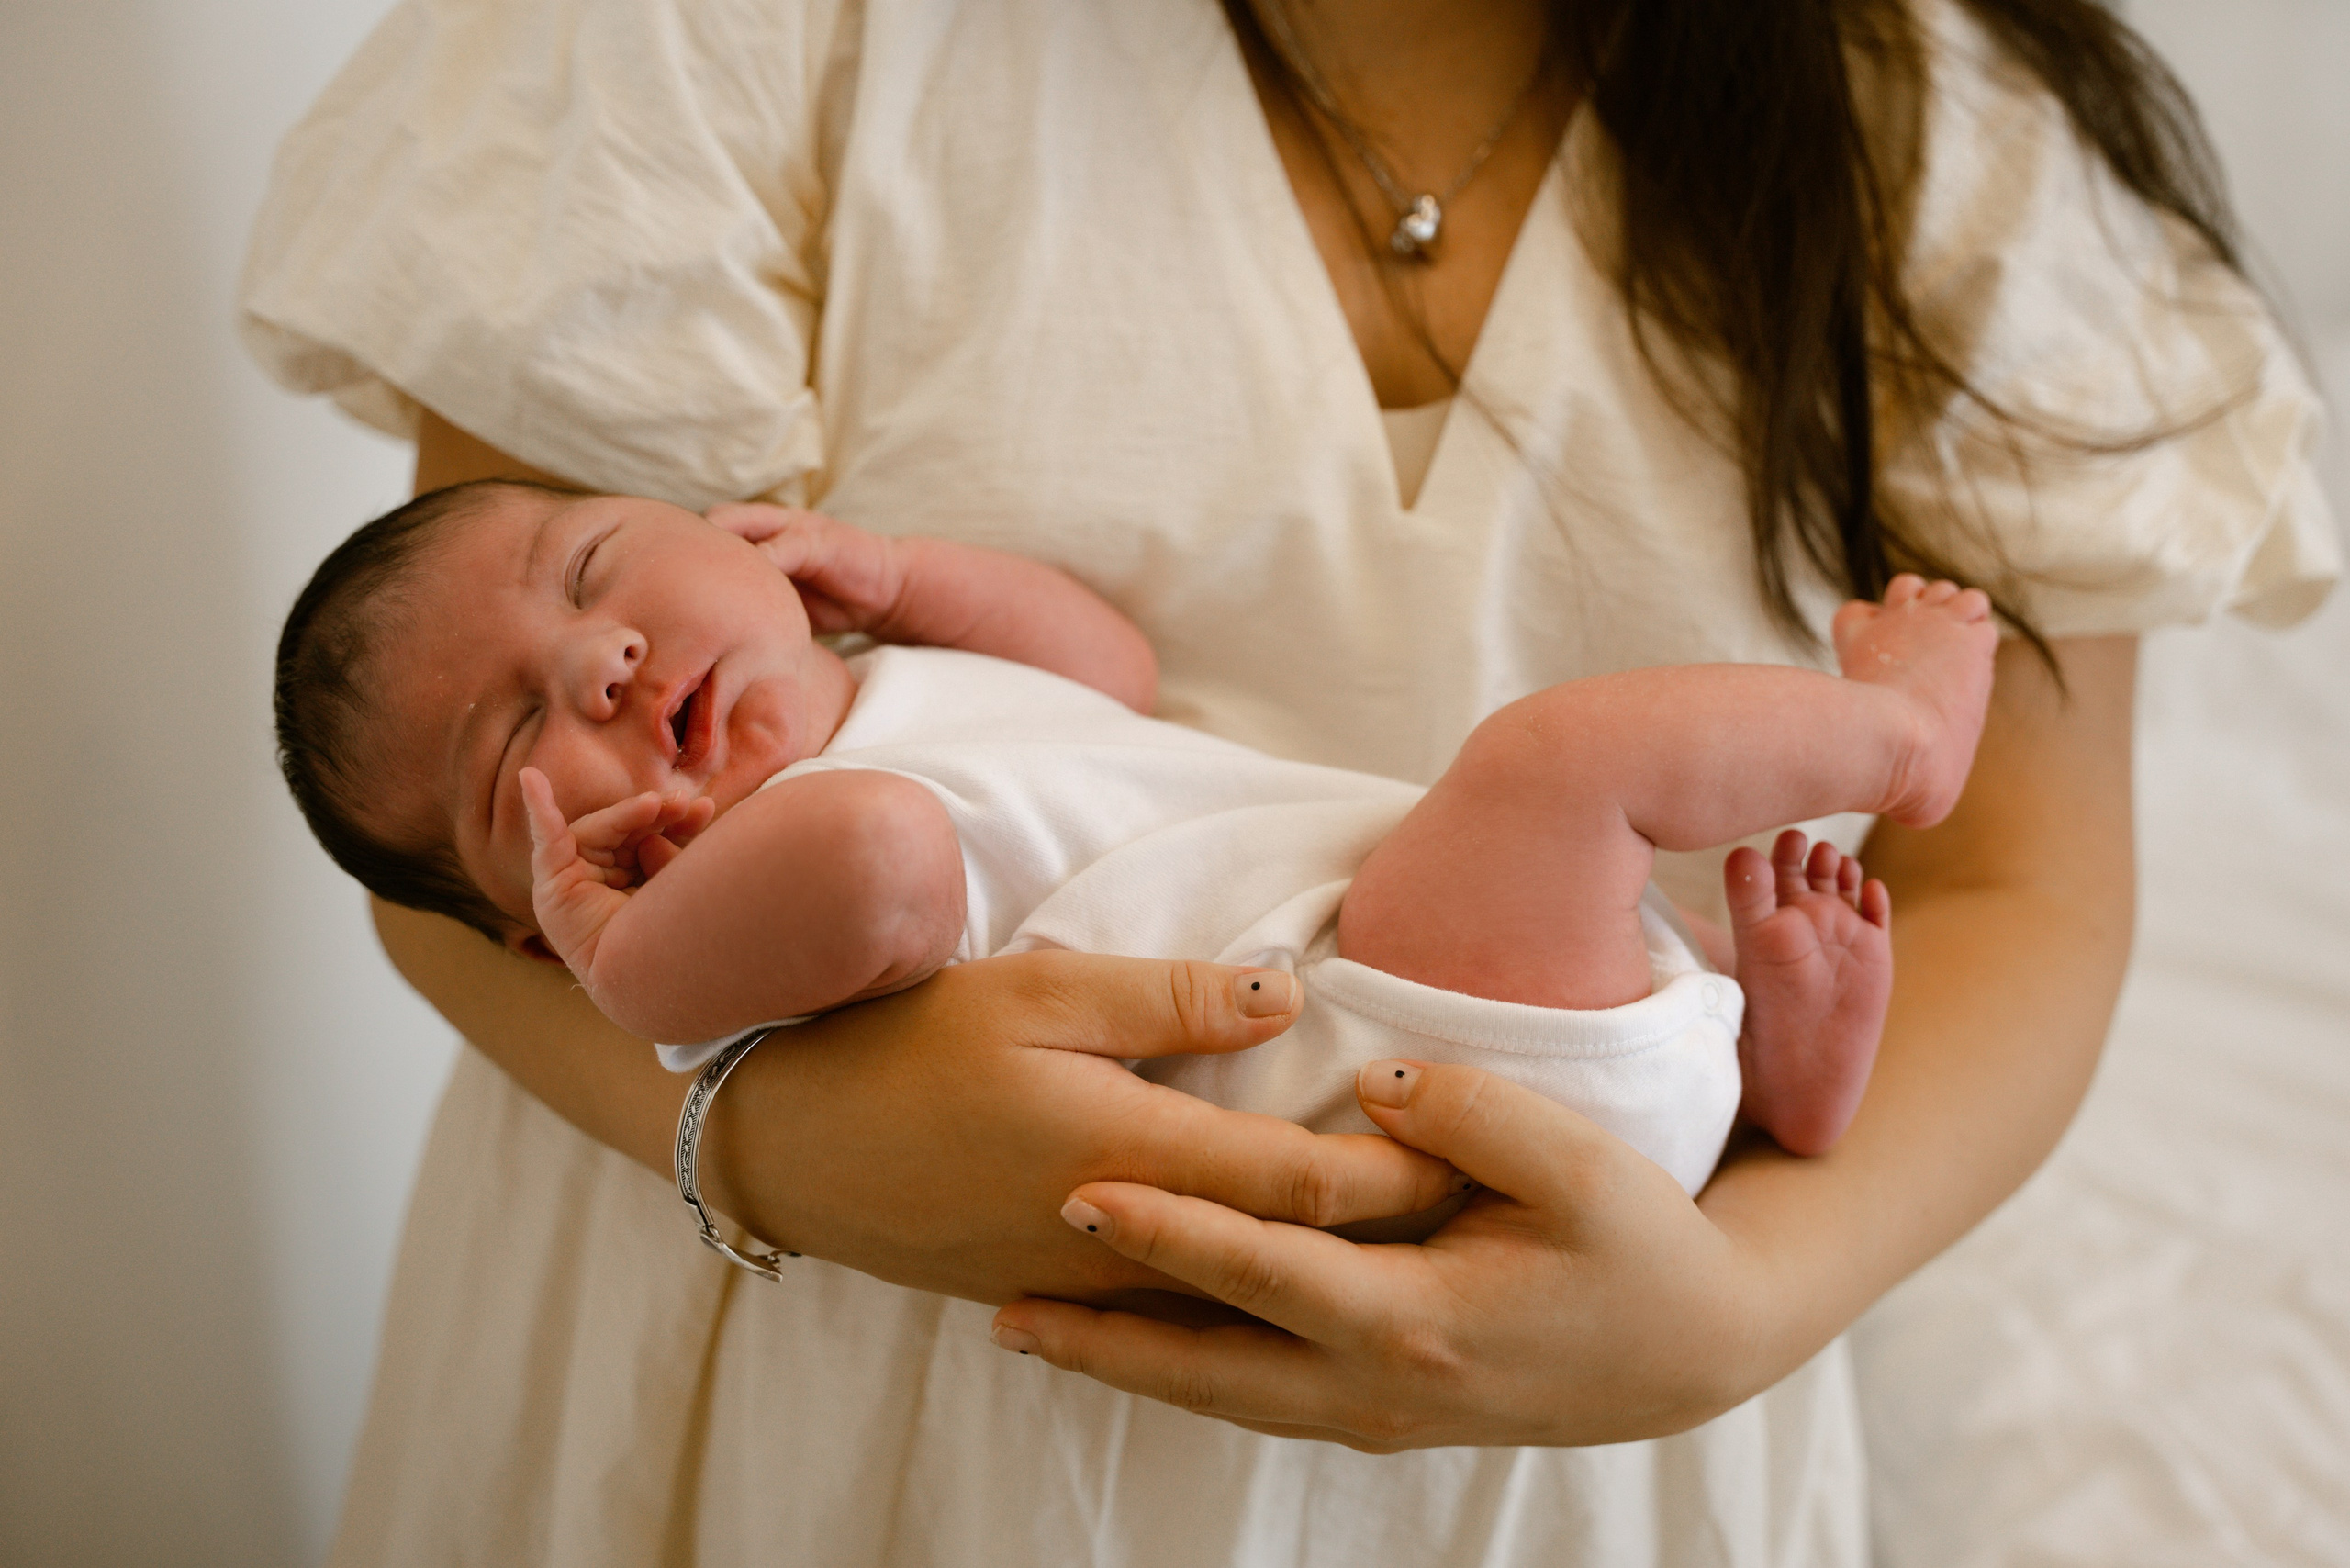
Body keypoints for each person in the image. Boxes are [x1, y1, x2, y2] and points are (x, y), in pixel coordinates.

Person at [240, 0, 2336, 1562]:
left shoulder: (1939, 130)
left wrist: (1734, 1305)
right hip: (786, 1381)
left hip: (1563, 1417)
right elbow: (461, 850)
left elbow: (2014, 892)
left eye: (611, 598)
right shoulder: (739, 40)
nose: (596, 665)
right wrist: (784, 1141)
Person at [275, 482, 1998, 1179]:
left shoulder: (886, 693)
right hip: (1365, 1026)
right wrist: (622, 952)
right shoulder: (727, 911)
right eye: (514, 733)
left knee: (1545, 819)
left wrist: (902, 582)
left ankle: (1761, 1075)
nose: (598, 656)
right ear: (533, 910)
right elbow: (884, 873)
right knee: (1555, 764)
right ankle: (1903, 739)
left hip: (1457, 987)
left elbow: (1110, 676)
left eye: (592, 566)